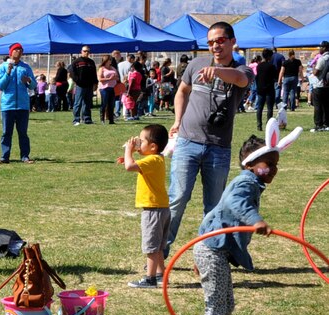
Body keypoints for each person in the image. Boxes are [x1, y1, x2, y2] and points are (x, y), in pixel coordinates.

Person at [189, 119, 300, 315]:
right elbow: (233, 202)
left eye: (276, 165)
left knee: (227, 306)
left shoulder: (253, 182)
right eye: (268, 165)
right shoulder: (246, 182)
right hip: (211, 249)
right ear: (250, 165)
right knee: (216, 307)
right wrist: (255, 220)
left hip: (216, 250)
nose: (273, 170)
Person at [166, 21, 253, 258]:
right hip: (187, 142)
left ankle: (209, 256)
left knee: (214, 207)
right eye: (211, 42)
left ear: (232, 42)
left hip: (218, 148)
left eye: (220, 41)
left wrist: (217, 71)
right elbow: (182, 92)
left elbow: (239, 79)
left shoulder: (243, 70)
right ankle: (159, 255)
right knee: (177, 200)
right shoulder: (196, 64)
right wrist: (177, 120)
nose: (215, 46)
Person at [119, 124, 170, 289]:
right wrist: (128, 156)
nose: (138, 144)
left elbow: (129, 167)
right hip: (161, 208)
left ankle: (150, 278)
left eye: (141, 141)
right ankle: (162, 275)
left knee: (151, 247)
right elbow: (132, 164)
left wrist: (128, 150)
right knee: (159, 246)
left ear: (153, 146)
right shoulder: (156, 159)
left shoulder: (152, 159)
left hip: (153, 210)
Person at [0, 42, 36, 164]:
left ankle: (25, 156)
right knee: (6, 132)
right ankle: (4, 156)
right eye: (16, 49)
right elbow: (1, 86)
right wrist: (8, 73)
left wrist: (29, 80)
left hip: (23, 105)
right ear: (11, 52)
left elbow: (33, 85)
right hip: (8, 105)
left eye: (21, 50)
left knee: (23, 132)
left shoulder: (26, 67)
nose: (19, 52)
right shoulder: (2, 67)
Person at [69, 45, 97, 126]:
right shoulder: (76, 62)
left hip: (89, 85)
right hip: (80, 86)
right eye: (85, 51)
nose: (86, 52)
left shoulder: (91, 62)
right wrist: (78, 81)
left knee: (87, 103)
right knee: (78, 103)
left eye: (88, 51)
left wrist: (95, 83)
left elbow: (94, 74)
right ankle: (76, 120)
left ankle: (87, 119)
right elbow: (72, 73)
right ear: (81, 52)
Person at [256, 49, 278, 131]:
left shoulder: (259, 66)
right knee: (269, 108)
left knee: (260, 107)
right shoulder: (271, 66)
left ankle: (259, 125)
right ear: (269, 56)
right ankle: (269, 125)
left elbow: (258, 76)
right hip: (269, 89)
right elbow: (275, 76)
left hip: (260, 88)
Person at [311, 41, 329, 132]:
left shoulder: (322, 59)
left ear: (325, 48)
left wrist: (313, 67)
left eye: (321, 47)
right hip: (327, 85)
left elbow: (316, 72)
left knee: (317, 106)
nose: (319, 49)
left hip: (320, 85)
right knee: (326, 105)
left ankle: (318, 124)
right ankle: (327, 124)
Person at [97, 54, 118, 124]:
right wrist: (109, 79)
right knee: (104, 103)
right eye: (109, 59)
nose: (110, 61)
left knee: (111, 104)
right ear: (106, 61)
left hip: (112, 88)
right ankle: (102, 119)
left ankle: (111, 120)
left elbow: (117, 76)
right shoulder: (101, 68)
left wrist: (116, 78)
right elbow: (100, 79)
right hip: (104, 88)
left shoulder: (113, 68)